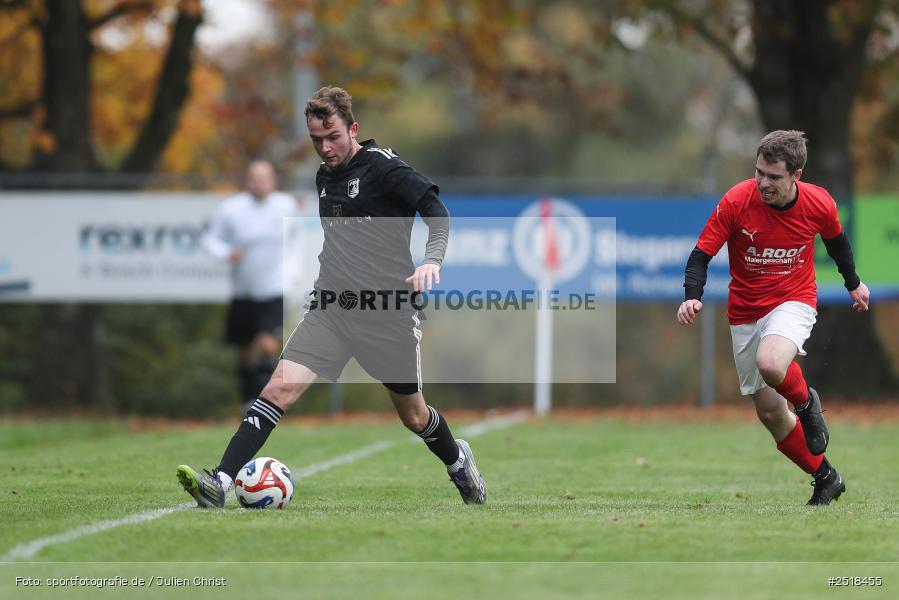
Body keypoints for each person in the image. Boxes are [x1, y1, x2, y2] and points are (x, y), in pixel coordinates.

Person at [178, 86, 486, 507]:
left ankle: (457, 461)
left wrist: (431, 261)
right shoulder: (326, 177)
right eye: (316, 140)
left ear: (353, 128)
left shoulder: (384, 169)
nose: (325, 148)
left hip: (386, 314)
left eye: (333, 137)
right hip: (332, 309)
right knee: (278, 389)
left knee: (414, 416)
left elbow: (437, 212)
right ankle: (220, 481)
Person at [677, 130, 869, 506]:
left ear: (797, 174)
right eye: (759, 173)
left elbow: (836, 242)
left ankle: (807, 404)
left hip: (793, 301)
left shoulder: (818, 203)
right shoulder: (737, 200)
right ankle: (826, 477)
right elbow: (700, 255)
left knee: (771, 362)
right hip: (745, 313)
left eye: (774, 177)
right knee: (770, 413)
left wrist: (853, 283)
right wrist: (691, 297)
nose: (763, 183)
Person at [203, 160, 298, 412]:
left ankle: (268, 402)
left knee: (268, 344)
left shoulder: (285, 206)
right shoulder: (231, 209)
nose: (259, 183)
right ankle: (248, 400)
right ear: (248, 181)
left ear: (273, 181)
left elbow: (300, 239)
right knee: (244, 350)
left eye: (264, 177)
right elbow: (211, 239)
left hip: (275, 289)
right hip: (243, 290)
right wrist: (226, 252)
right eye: (254, 178)